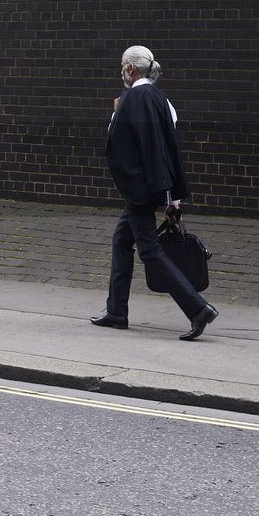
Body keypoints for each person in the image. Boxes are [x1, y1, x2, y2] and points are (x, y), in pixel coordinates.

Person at [91, 46, 219, 341]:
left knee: (149, 249)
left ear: (131, 69)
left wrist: (117, 114)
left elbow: (131, 144)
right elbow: (167, 148)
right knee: (122, 241)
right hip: (153, 186)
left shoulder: (135, 98)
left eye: (122, 65)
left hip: (140, 188)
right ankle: (116, 311)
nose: (120, 70)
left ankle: (198, 309)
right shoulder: (159, 98)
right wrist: (173, 199)